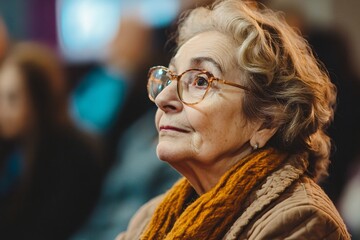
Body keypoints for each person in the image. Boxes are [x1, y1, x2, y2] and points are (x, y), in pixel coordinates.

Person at [116, 0, 351, 239]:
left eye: (200, 81)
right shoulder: (151, 216)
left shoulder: (301, 221)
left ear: (266, 122)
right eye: (169, 78)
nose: (163, 98)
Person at [0, 42, 103, 240]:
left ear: (39, 99)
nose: (2, 110)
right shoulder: (13, 144)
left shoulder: (71, 155)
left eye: (12, 98)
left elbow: (47, 229)